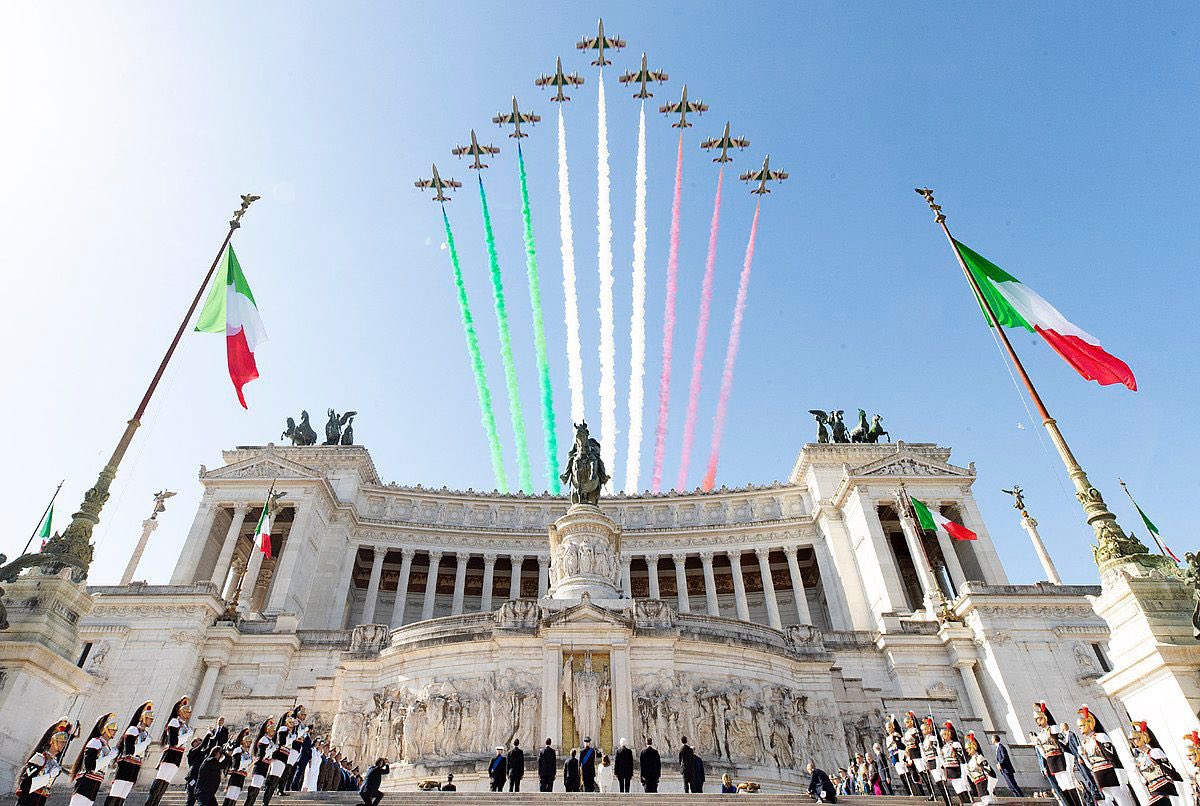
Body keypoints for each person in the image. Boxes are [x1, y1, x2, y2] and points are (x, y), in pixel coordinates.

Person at [146, 696, 195, 806]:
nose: (188, 714)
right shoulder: (174, 722)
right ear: (180, 711)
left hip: (177, 757)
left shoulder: (185, 726)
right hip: (170, 755)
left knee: (164, 786)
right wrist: (188, 734)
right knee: (159, 783)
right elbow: (174, 742)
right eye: (186, 711)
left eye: (189, 712)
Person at [1033, 702, 1084, 806]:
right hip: (1052, 762)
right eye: (1036, 719)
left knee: (1070, 785)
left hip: (1060, 759)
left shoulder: (1052, 729)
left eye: (1038, 718)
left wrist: (1069, 764)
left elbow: (1063, 746)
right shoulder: (1041, 734)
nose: (1037, 721)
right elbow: (1043, 752)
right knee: (1063, 787)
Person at [105, 702, 154, 806]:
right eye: (149, 718)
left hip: (135, 766)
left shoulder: (145, 734)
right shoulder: (133, 730)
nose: (151, 720)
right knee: (115, 794)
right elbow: (129, 751)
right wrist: (145, 743)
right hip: (126, 765)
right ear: (143, 718)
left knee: (123, 796)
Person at [69, 713, 118, 806]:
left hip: (95, 782)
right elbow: (90, 766)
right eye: (112, 728)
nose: (115, 731)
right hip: (86, 782)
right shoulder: (95, 742)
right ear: (105, 728)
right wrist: (109, 757)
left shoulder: (106, 746)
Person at [19, 720, 72, 806]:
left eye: (65, 743)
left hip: (40, 800)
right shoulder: (39, 758)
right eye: (62, 742)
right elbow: (25, 784)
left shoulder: (54, 763)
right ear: (53, 741)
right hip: (28, 801)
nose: (64, 745)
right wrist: (49, 776)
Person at [244, 717, 277, 806]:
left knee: (257, 787)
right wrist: (272, 750)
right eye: (272, 730)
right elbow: (262, 755)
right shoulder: (264, 740)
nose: (274, 732)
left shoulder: (270, 741)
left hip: (264, 766)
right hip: (260, 766)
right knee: (255, 787)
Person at [223, 729, 253, 806]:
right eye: (248, 741)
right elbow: (239, 764)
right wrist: (249, 761)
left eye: (250, 742)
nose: (249, 743)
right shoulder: (238, 750)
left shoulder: (247, 753)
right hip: (235, 775)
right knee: (230, 795)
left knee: (235, 797)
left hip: (242, 776)